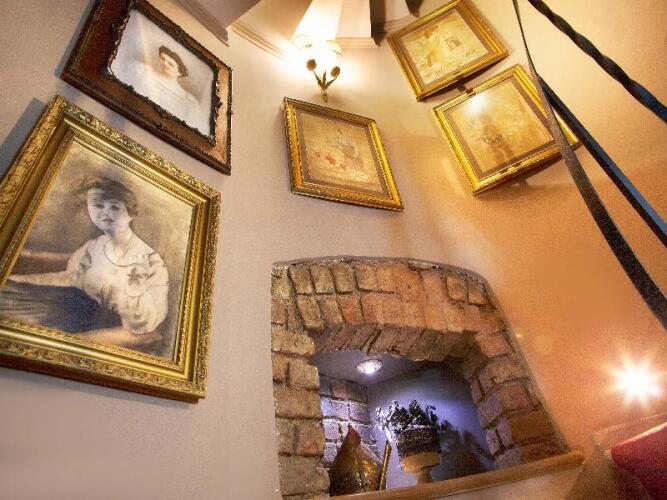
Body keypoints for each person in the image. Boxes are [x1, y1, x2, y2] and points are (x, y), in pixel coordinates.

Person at [2, 176, 169, 350]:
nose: (105, 213)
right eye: (98, 205)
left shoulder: (151, 262)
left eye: (114, 207)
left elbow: (146, 330)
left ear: (131, 213)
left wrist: (74, 341)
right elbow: (68, 277)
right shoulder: (96, 245)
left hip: (100, 327)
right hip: (67, 306)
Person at [126, 45, 209, 135]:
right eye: (163, 59)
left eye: (170, 64)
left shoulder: (189, 101)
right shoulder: (146, 74)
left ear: (179, 72)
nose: (165, 63)